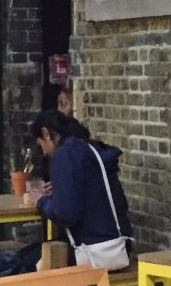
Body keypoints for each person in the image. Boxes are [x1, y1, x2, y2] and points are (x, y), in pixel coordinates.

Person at [25, 109, 133, 265]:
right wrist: (61, 187)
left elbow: (66, 214)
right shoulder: (90, 149)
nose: (45, 152)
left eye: (41, 145)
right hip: (120, 245)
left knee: (24, 261)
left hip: (94, 251)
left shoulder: (65, 154)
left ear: (46, 133)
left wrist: (41, 201)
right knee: (30, 254)